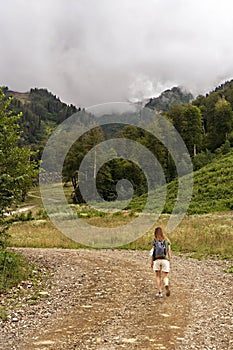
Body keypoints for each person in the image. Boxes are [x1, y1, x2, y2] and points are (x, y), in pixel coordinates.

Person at [150, 226, 172, 298]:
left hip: (157, 260)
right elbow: (169, 251)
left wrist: (152, 261)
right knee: (165, 276)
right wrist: (170, 260)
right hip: (165, 260)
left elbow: (152, 252)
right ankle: (166, 284)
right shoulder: (166, 240)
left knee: (158, 276)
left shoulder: (155, 241)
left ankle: (160, 292)